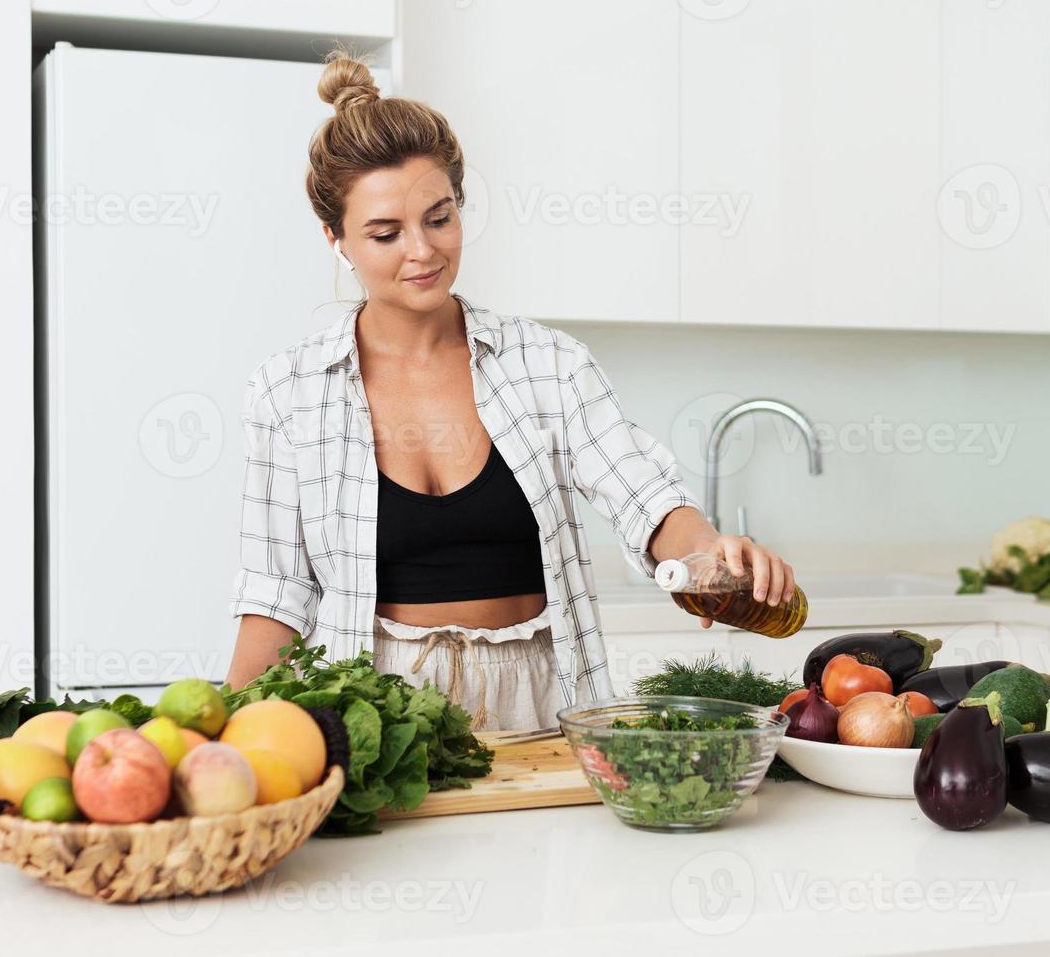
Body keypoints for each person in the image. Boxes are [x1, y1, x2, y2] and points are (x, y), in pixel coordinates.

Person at [224, 49, 795, 730]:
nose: (422, 251)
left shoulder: (548, 365)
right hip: (380, 712)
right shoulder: (288, 392)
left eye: (439, 218)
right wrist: (223, 735)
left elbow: (644, 495)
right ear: (335, 238)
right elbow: (275, 595)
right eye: (385, 233)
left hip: (542, 698)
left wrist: (708, 554)